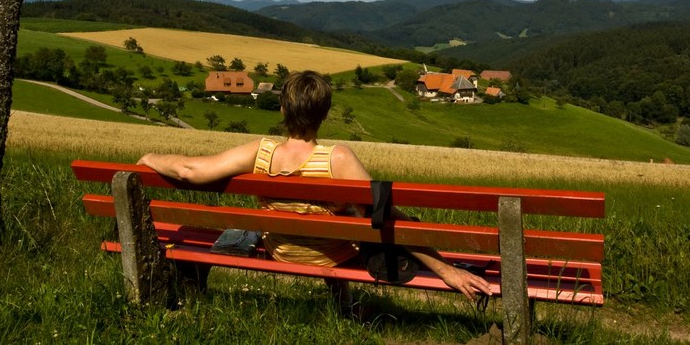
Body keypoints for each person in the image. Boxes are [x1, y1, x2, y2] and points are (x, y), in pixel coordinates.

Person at [137, 69, 491, 312]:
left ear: (282, 109)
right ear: (324, 114)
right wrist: (446, 270)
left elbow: (189, 170)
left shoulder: (259, 152)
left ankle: (342, 303)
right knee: (350, 214)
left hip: (282, 250)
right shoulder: (338, 159)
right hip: (332, 254)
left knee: (327, 213)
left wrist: (149, 156)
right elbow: (385, 218)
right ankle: (344, 306)